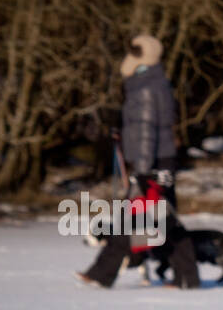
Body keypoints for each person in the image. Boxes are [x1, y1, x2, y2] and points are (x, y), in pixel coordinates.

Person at [78, 35, 199, 289]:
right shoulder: (153, 84)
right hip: (159, 162)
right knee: (156, 222)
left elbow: (146, 131)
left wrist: (142, 172)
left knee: (149, 221)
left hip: (152, 165)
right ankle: (185, 277)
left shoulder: (145, 88)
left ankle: (103, 274)